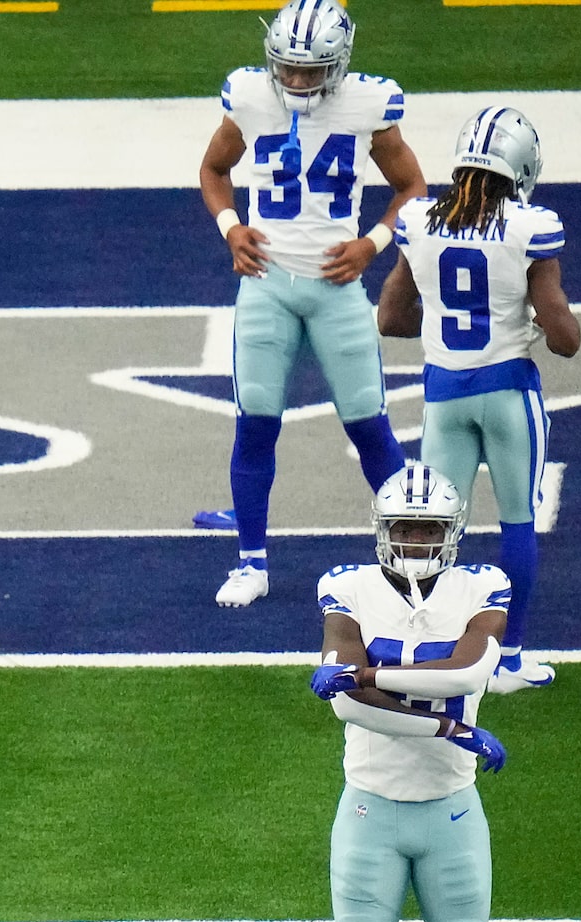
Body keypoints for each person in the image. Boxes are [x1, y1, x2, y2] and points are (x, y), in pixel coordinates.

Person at [306, 463, 520, 922]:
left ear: (451, 532)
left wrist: (373, 670)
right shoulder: (344, 584)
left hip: (450, 814)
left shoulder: (483, 584)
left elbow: (462, 671)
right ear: (382, 530)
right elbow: (345, 704)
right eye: (405, 527)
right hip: (368, 809)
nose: (416, 539)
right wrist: (444, 723)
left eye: (428, 528)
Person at [192, 0, 424, 608]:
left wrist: (371, 244)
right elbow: (214, 169)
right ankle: (251, 563)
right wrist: (230, 227)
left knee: (370, 425)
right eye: (287, 69)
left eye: (310, 70)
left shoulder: (366, 105)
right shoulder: (248, 95)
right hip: (266, 282)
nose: (295, 81)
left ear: (339, 65)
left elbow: (413, 189)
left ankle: (416, 558)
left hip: (336, 288)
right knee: (256, 423)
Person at [380, 106, 579, 692]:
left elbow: (391, 318)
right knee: (517, 521)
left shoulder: (418, 221)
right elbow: (565, 339)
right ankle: (510, 658)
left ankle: (436, 648)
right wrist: (532, 319)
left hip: (443, 394)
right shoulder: (529, 226)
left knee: (440, 530)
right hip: (508, 393)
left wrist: (444, 316)